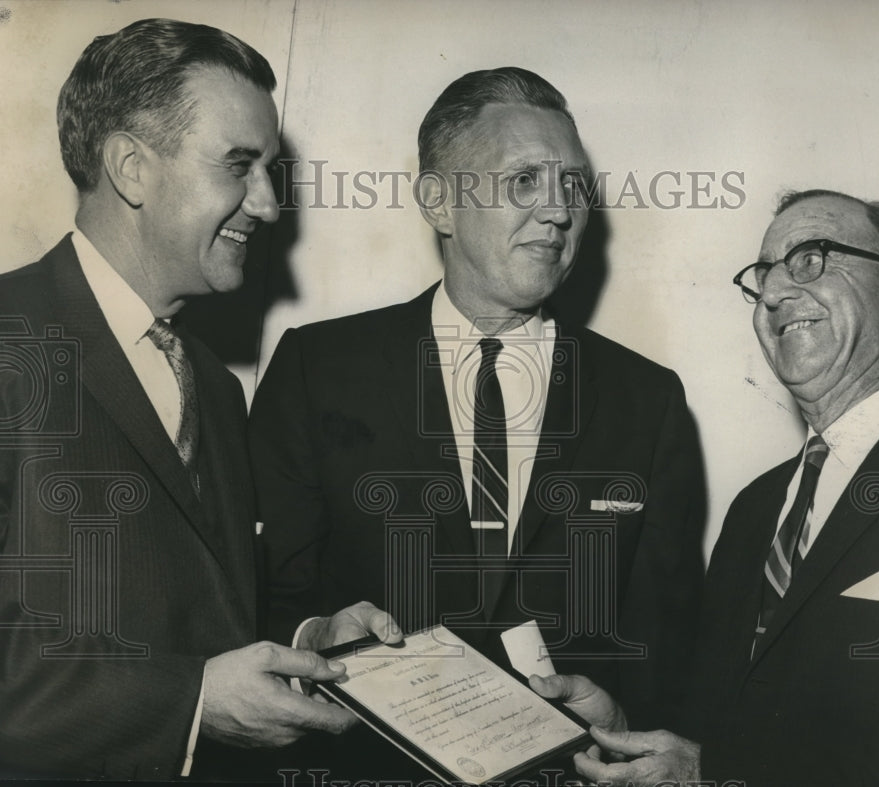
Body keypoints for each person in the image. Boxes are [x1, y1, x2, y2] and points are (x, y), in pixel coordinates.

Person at [249, 66, 705, 748]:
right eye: (524, 180)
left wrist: (624, 719)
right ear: (438, 202)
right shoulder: (319, 369)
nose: (558, 211)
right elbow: (263, 591)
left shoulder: (647, 399)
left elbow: (667, 638)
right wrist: (312, 636)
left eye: (571, 186)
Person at [0, 19, 399, 780]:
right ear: (131, 168)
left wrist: (306, 647)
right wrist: (191, 701)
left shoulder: (212, 384)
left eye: (270, 169)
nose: (269, 204)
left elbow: (200, 621)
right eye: (239, 165)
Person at [534, 189, 879, 786]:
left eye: (810, 258)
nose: (775, 291)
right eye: (764, 274)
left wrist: (720, 773)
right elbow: (717, 732)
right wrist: (626, 736)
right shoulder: (756, 508)